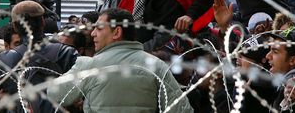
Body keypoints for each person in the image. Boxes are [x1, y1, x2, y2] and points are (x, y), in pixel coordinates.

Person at [47, 8, 193, 112]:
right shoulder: (156, 65)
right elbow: (182, 109)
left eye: (99, 28)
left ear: (116, 32)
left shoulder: (89, 65)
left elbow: (54, 93)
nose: (92, 33)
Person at [0, 0, 78, 113]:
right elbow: (81, 95)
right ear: (43, 22)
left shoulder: (3, 59)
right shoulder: (66, 53)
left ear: (15, 27)